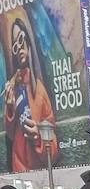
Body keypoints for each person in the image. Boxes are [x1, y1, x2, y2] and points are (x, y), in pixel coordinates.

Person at [2, 16, 61, 173]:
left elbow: (53, 146)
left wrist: (39, 137)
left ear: (29, 43)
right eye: (15, 46)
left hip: (39, 171)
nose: (20, 48)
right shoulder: (13, 87)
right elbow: (10, 134)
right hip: (19, 168)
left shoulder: (40, 90)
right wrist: (9, 108)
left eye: (22, 40)